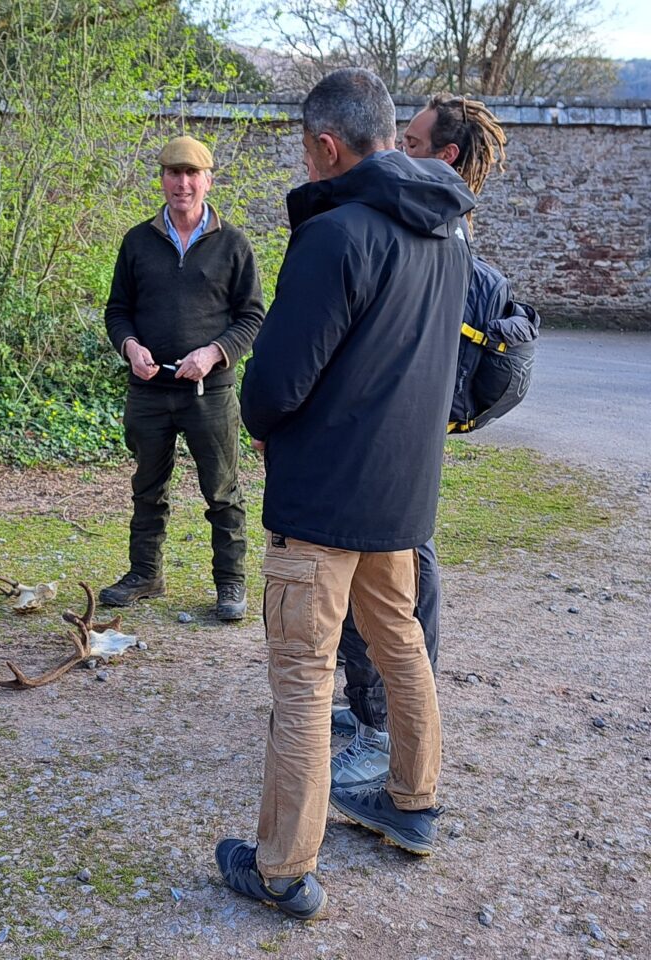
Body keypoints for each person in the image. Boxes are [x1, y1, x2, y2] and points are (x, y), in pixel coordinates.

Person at [214, 68, 474, 919]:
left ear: (326, 146)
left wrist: (261, 420)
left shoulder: (337, 236)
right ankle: (415, 798)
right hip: (398, 499)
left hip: (323, 503)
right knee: (400, 646)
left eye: (304, 147)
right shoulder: (449, 234)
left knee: (300, 681)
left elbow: (275, 385)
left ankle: (282, 868)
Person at [331, 93, 509, 789]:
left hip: (399, 443)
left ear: (447, 155)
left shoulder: (440, 228)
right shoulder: (439, 221)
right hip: (397, 438)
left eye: (411, 139)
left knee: (403, 594)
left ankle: (386, 736)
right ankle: (370, 713)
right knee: (379, 584)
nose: (396, 150)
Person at [100, 136, 265, 621]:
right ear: (163, 179)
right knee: (147, 488)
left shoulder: (233, 244)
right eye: (174, 173)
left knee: (222, 492)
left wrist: (215, 353)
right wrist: (129, 347)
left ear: (208, 180)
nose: (183, 183)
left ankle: (230, 584)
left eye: (193, 174)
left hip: (209, 394)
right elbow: (118, 312)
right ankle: (145, 574)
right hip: (148, 392)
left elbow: (252, 316)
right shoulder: (137, 242)